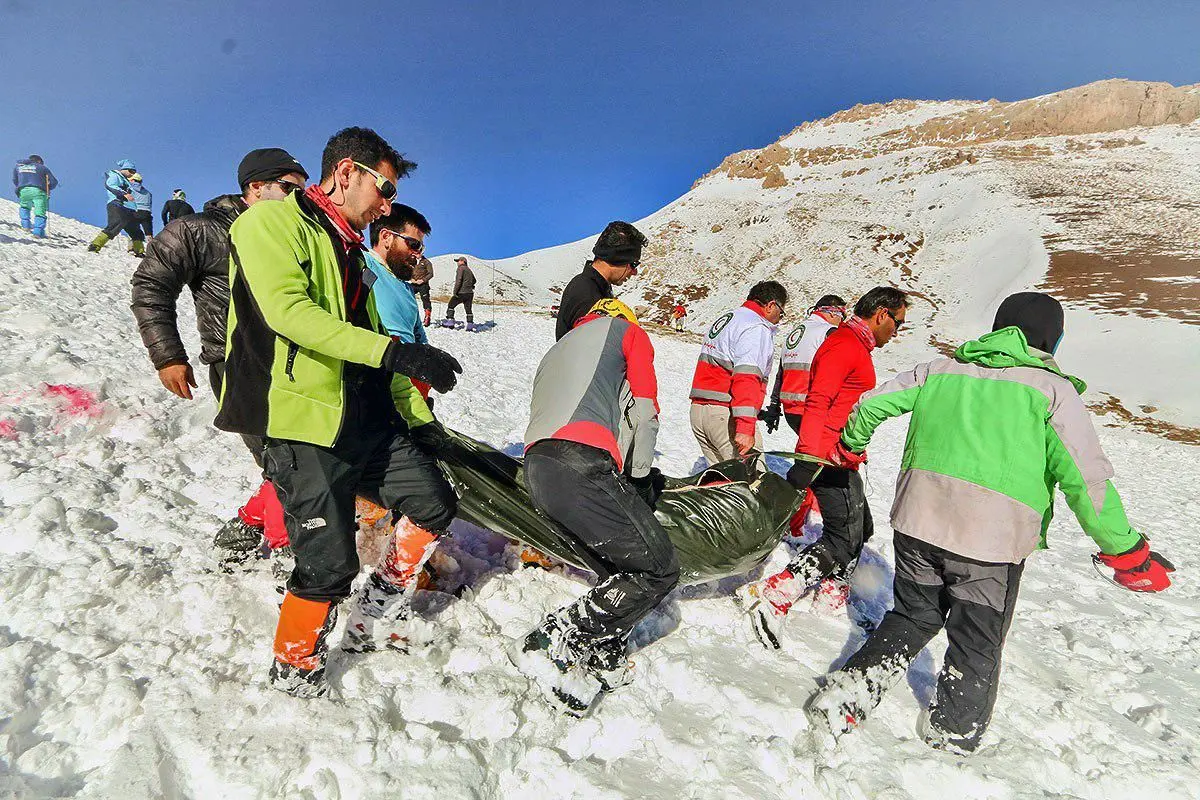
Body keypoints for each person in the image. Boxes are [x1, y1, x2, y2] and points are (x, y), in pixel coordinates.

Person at [804, 292, 1174, 753]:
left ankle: (846, 694)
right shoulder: (1050, 391)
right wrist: (1127, 552)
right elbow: (1086, 481)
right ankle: (952, 736)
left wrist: (852, 444)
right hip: (990, 545)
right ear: (1049, 338)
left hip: (918, 521)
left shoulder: (941, 369)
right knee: (976, 641)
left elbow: (870, 405)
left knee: (912, 615)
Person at [215, 126, 462, 698]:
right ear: (347, 172)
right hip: (300, 420)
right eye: (385, 188)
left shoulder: (354, 256)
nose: (387, 204)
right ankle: (295, 669)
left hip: (365, 419)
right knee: (327, 564)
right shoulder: (269, 223)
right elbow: (289, 312)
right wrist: (396, 349)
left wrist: (426, 426)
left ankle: (375, 612)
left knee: (433, 502)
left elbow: (380, 356)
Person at [131, 147, 310, 565]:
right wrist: (167, 356)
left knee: (293, 457)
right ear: (255, 187)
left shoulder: (292, 233)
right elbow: (151, 287)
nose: (297, 199)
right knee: (287, 462)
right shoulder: (197, 230)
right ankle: (291, 555)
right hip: (237, 364)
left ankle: (247, 526)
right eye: (289, 189)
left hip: (291, 364)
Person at [513, 298, 677, 714]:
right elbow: (643, 413)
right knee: (658, 567)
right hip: (579, 462)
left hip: (538, 467)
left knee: (619, 570)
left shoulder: (560, 346)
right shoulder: (628, 333)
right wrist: (639, 479)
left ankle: (602, 653)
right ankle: (553, 639)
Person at [739, 287, 908, 642]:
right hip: (827, 454)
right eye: (898, 323)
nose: (897, 332)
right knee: (844, 536)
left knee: (861, 528)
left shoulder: (854, 344)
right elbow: (819, 400)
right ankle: (778, 589)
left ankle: (832, 594)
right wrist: (809, 455)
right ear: (881, 314)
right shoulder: (844, 344)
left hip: (841, 452)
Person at [688, 281, 787, 465]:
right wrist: (745, 426)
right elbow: (746, 378)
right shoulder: (756, 327)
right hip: (724, 415)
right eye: (781, 312)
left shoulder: (729, 318)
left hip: (699, 411)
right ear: (771, 305)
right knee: (750, 483)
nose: (780, 319)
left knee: (721, 484)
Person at [760, 295, 846, 435]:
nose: (842, 321)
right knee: (823, 454)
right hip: (814, 409)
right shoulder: (829, 332)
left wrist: (774, 406)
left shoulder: (794, 333)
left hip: (791, 412)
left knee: (806, 450)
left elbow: (781, 374)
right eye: (842, 316)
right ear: (832, 312)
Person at [554, 221, 645, 340]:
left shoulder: (591, 286)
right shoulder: (587, 294)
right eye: (633, 264)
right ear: (617, 258)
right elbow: (593, 351)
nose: (634, 272)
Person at [88, 159, 145, 255]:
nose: (132, 174)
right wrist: (123, 194)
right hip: (117, 204)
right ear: (125, 169)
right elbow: (110, 185)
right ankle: (95, 245)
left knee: (136, 231)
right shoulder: (115, 175)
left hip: (130, 209)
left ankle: (139, 252)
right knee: (116, 224)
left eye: (134, 172)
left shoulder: (127, 181)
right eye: (131, 171)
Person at [12, 154, 58, 238]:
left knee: (24, 207)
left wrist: (21, 186)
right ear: (39, 161)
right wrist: (48, 188)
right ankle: (38, 232)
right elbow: (54, 182)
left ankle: (25, 226)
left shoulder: (18, 167)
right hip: (39, 191)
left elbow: (15, 180)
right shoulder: (43, 168)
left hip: (24, 190)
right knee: (40, 211)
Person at [445, 256, 477, 323]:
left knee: (451, 305)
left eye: (458, 261)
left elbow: (458, 281)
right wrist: (470, 285)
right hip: (470, 293)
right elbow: (474, 280)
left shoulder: (460, 268)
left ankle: (450, 322)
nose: (457, 262)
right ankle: (470, 325)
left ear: (463, 261)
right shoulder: (469, 269)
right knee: (468, 309)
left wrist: (455, 292)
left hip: (461, 292)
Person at [128, 173, 154, 247]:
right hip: (147, 213)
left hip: (135, 211)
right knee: (148, 233)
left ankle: (132, 248)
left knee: (133, 230)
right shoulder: (148, 193)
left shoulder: (130, 189)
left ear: (133, 180)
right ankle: (152, 250)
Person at [409, 254, 434, 327]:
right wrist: (411, 278)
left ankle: (427, 317)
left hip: (423, 284)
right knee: (407, 296)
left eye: (417, 253)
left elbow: (431, 274)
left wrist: (423, 280)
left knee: (425, 300)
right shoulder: (413, 262)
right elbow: (410, 271)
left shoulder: (426, 262)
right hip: (414, 284)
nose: (416, 254)